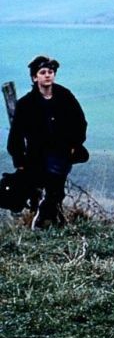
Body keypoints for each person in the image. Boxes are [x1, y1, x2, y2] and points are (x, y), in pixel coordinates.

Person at [6, 55, 87, 228]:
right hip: (37, 154)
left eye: (51, 72)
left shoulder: (65, 96)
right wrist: (19, 161)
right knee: (42, 189)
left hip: (63, 151)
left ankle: (45, 219)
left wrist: (74, 145)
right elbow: (16, 136)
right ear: (35, 77)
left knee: (55, 188)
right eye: (43, 72)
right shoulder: (26, 104)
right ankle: (47, 219)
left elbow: (80, 122)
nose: (48, 75)